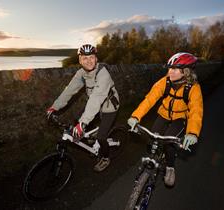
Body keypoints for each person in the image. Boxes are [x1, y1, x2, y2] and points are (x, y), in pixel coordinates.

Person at [127, 52, 203, 186]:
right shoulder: (165, 82)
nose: (170, 72)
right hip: (163, 114)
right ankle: (151, 164)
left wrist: (192, 132)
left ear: (185, 72)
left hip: (179, 118)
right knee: (152, 139)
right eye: (169, 68)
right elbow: (150, 99)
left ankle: (170, 167)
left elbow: (196, 111)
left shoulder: (194, 88)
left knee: (169, 143)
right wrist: (135, 116)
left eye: (174, 69)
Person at [46, 44, 120, 172]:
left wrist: (83, 122)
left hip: (109, 106)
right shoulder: (81, 74)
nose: (89, 61)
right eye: (85, 58)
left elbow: (97, 97)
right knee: (78, 122)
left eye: (91, 57)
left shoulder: (103, 73)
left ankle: (105, 158)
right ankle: (92, 136)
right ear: (80, 60)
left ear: (96, 58)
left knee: (101, 137)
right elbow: (69, 91)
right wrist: (54, 107)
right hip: (94, 104)